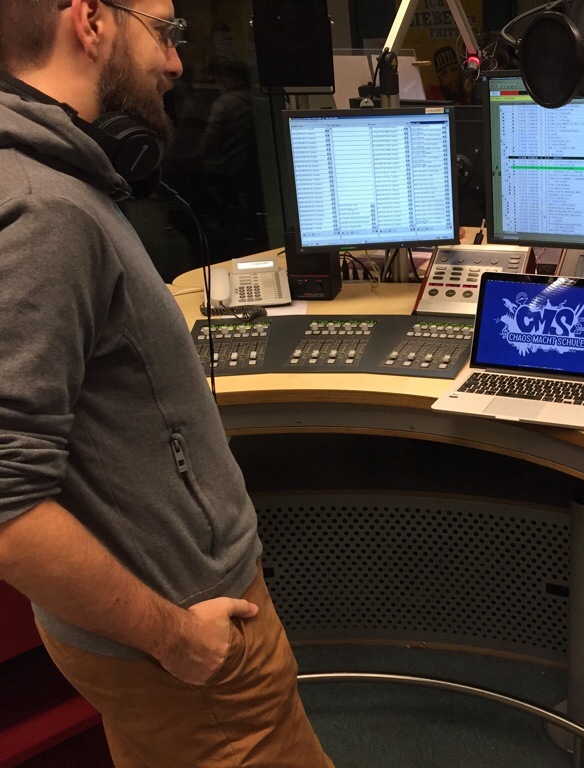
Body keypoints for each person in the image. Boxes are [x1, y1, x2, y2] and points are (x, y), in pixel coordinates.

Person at [0, 2, 334, 766]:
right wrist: (175, 637)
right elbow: (8, 508)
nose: (179, 61)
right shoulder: (46, 212)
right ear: (90, 21)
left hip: (146, 634)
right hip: (187, 641)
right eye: (165, 30)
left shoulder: (52, 180)